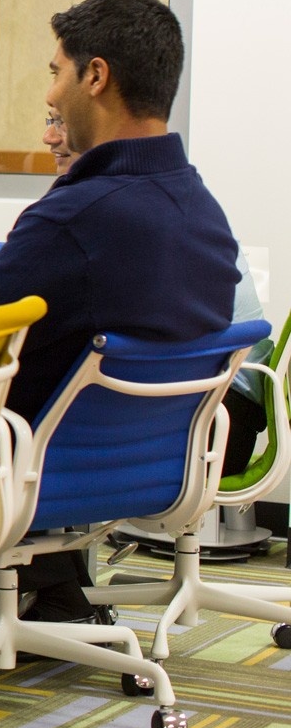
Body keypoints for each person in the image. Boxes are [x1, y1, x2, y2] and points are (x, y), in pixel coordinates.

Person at [0, 0, 239, 622]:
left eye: (56, 72)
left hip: (36, 471)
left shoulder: (77, 218)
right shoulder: (202, 212)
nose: (50, 94)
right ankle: (54, 591)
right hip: (144, 471)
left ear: (95, 75)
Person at [39, 101, 269, 476]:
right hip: (214, 412)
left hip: (202, 421)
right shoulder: (180, 196)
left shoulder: (112, 210)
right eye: (50, 121)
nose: (49, 136)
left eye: (61, 122)